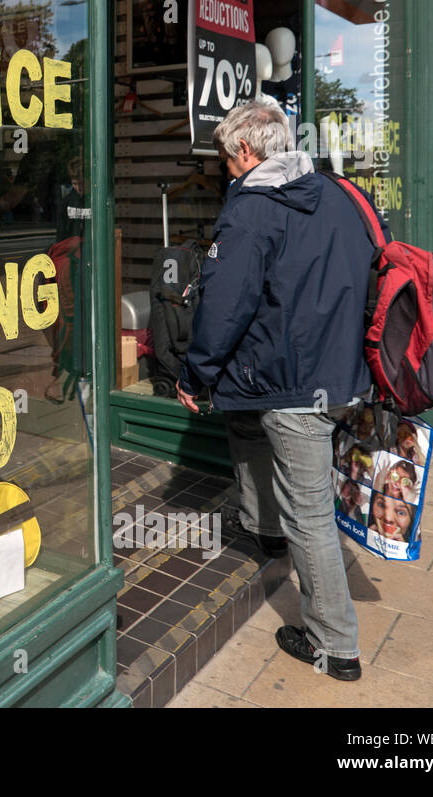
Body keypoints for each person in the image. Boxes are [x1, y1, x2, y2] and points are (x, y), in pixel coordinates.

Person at [176, 99, 389, 683]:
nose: (223, 168)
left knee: (311, 515)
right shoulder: (341, 196)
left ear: (245, 152)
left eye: (224, 157)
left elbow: (222, 307)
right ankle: (261, 525)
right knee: (244, 425)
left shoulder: (250, 211)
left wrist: (195, 375)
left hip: (294, 387)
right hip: (343, 375)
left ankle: (334, 644)